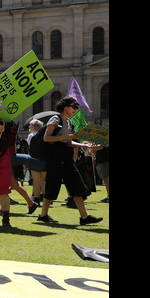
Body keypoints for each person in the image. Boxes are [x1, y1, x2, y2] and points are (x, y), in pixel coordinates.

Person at [36, 96, 103, 225]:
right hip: (55, 156)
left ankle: (84, 217)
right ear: (65, 107)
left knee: (77, 184)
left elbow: (68, 142)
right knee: (52, 185)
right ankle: (43, 215)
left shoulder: (69, 122)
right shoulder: (55, 119)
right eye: (74, 106)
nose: (76, 109)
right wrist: (67, 136)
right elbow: (47, 138)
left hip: (66, 156)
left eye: (77, 107)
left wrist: (84, 145)